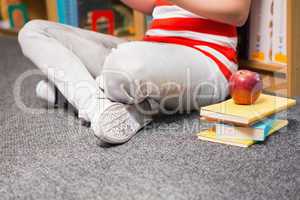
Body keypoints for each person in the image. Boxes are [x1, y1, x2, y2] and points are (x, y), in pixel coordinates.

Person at [18, 0, 251, 144]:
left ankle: (75, 94)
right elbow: (151, 4)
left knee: (124, 63)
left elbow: (237, 12)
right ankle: (99, 105)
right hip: (149, 52)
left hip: (205, 61)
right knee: (34, 31)